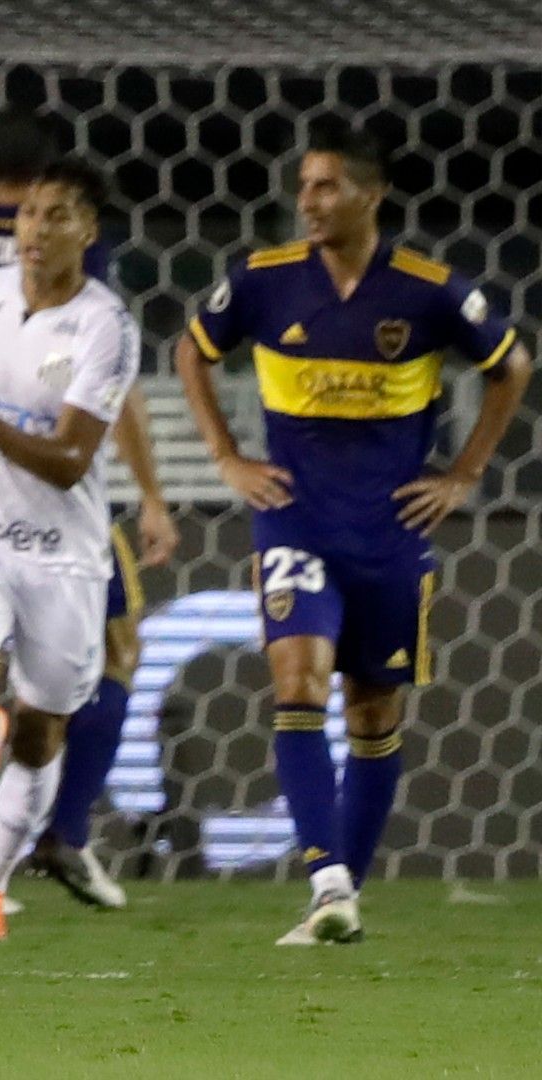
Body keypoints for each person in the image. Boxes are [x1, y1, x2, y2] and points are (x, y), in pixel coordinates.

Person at [174, 118, 530, 945]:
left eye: (326, 186)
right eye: (303, 186)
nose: (308, 201)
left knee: (372, 711)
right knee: (296, 681)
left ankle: (340, 900)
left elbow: (511, 364)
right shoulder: (264, 281)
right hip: (293, 517)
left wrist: (466, 472)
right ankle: (325, 875)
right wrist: (226, 456)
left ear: (373, 195)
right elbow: (193, 353)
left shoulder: (428, 290)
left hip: (388, 528)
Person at [0, 111, 176, 913]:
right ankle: (52, 833)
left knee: (59, 699)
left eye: (55, 216)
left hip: (62, 527)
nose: (36, 229)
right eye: (33, 212)